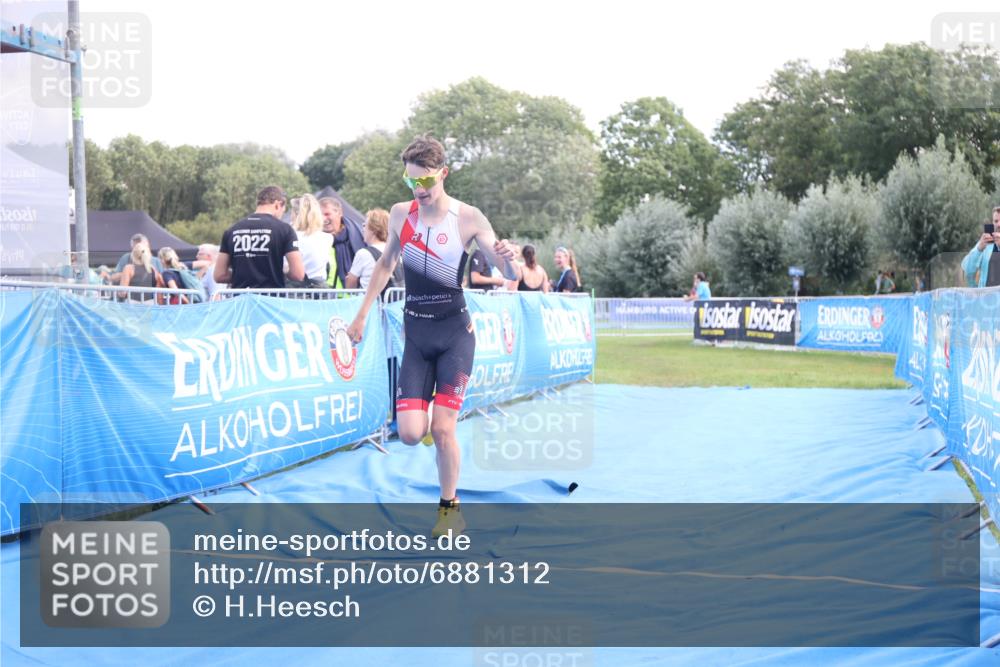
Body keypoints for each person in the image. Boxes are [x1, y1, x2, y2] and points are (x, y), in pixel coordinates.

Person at [346, 135, 520, 538]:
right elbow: (386, 263)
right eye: (410, 183)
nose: (418, 191)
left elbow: (508, 272)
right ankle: (427, 429)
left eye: (424, 183)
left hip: (456, 334)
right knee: (409, 433)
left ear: (443, 173)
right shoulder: (399, 214)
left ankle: (449, 509)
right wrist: (361, 315)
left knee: (443, 429)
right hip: (417, 336)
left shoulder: (468, 217)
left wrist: (508, 261)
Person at [214, 186, 305, 289]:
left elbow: (219, 275)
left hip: (241, 300)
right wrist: (280, 273)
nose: (281, 215)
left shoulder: (232, 230)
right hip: (270, 299)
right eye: (283, 211)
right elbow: (298, 274)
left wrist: (240, 276)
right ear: (277, 205)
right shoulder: (285, 230)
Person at [346, 208, 399, 292]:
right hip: (394, 303)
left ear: (373, 229)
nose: (362, 229)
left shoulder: (363, 253)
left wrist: (349, 279)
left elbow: (350, 285)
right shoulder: (397, 251)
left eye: (364, 225)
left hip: (370, 302)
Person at [319, 196, 365, 288]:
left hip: (350, 297)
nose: (323, 218)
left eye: (327, 214)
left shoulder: (357, 235)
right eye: (319, 214)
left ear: (339, 213)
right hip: (322, 296)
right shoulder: (313, 239)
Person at [290, 194, 333, 288]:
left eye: (292, 212)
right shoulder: (328, 238)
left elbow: (286, 267)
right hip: (320, 289)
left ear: (297, 214)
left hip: (295, 290)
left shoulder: (290, 235)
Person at [961, 206, 1000, 287]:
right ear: (992, 223)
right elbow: (967, 271)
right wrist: (979, 249)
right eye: (996, 221)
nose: (999, 224)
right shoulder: (986, 244)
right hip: (986, 298)